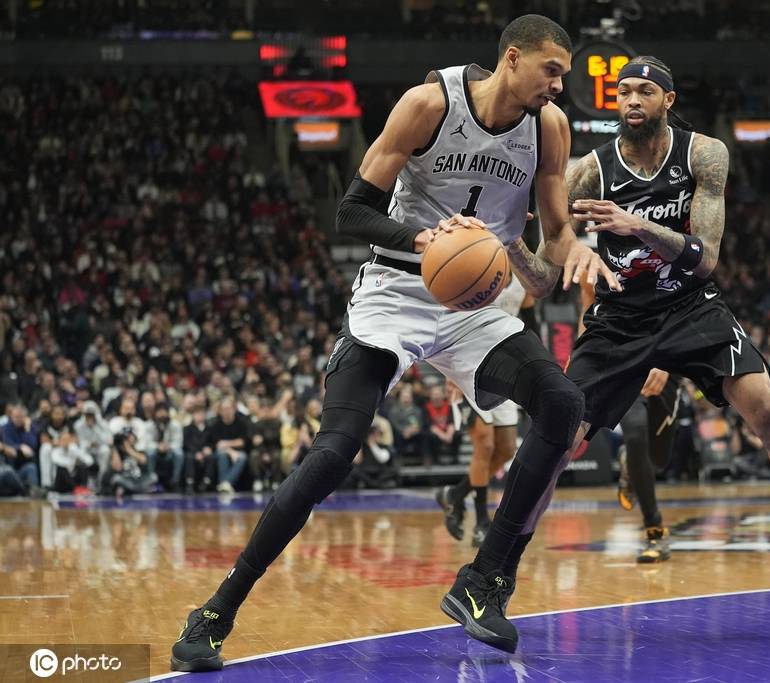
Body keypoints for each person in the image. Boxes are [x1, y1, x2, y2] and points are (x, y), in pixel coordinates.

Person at [171, 14, 615, 670]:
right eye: (551, 70)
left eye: (563, 75)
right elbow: (350, 211)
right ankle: (216, 609)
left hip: (474, 305)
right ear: (512, 58)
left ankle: (485, 579)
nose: (559, 85)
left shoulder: (550, 127)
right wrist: (423, 239)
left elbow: (550, 249)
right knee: (332, 454)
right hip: (396, 290)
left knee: (563, 403)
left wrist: (569, 250)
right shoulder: (430, 103)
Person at [553, 56, 770, 635]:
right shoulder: (590, 171)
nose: (631, 100)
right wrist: (537, 247)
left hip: (689, 307)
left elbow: (707, 259)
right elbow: (550, 235)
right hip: (621, 318)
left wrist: (636, 224)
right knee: (561, 439)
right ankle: (494, 573)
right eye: (623, 92)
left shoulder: (703, 154)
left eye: (644, 90)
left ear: (667, 100)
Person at [579, 278, 682, 562]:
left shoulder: (667, 257)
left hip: (666, 360)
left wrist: (666, 361)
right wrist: (579, 358)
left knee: (658, 460)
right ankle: (655, 530)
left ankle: (629, 462)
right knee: (635, 433)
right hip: (624, 362)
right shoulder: (600, 262)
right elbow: (589, 310)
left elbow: (685, 308)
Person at [436, 274, 528, 547]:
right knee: (484, 445)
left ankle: (455, 495)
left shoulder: (523, 276)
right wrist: (448, 371)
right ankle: (481, 522)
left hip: (505, 372)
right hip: (467, 370)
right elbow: (449, 317)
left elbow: (531, 315)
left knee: (506, 450)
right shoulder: (477, 267)